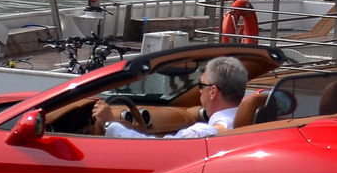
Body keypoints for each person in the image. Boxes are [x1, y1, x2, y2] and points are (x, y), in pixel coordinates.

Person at [92, 55, 247, 138]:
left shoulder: (202, 134)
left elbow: (152, 151)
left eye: (201, 85)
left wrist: (109, 123)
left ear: (213, 91)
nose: (199, 91)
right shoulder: (252, 123)